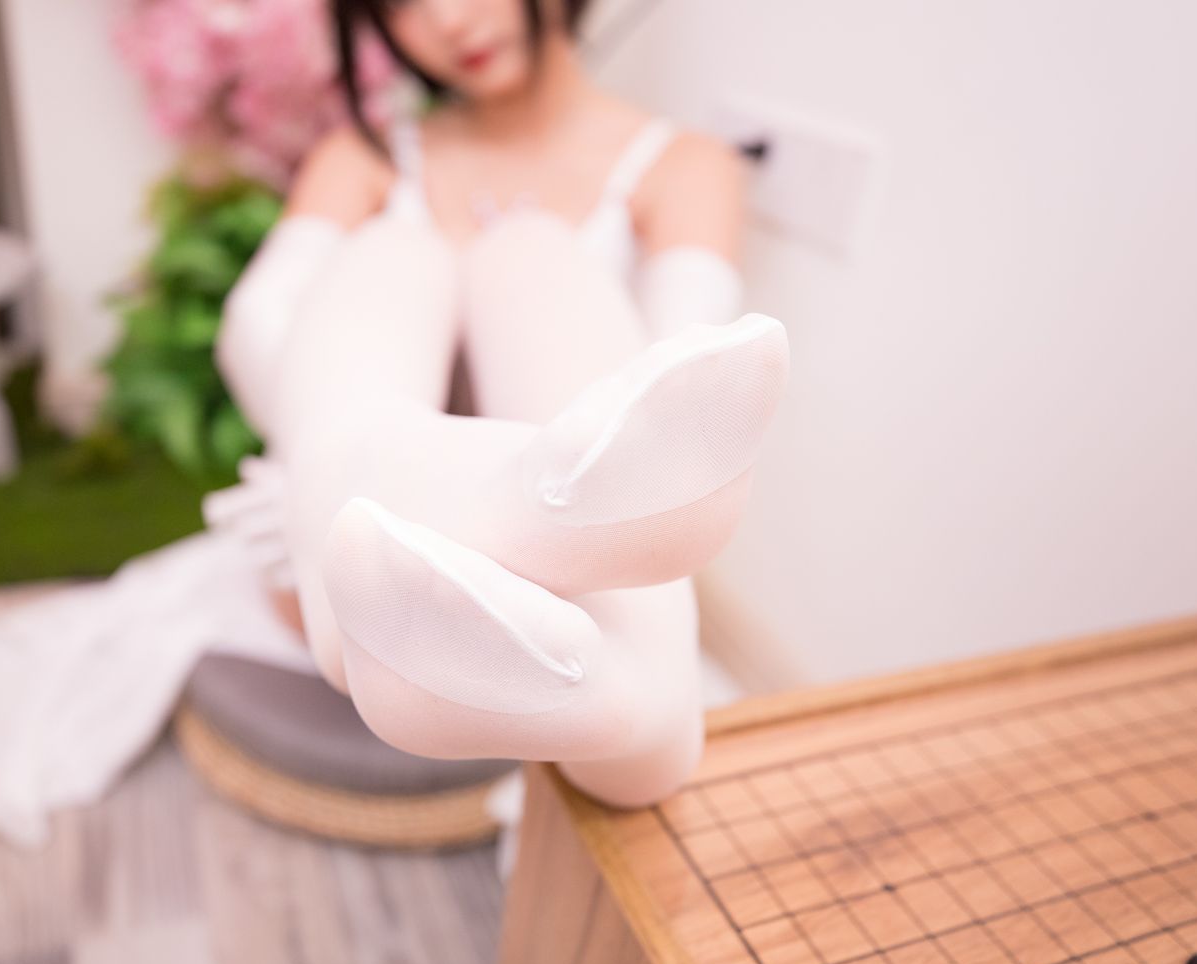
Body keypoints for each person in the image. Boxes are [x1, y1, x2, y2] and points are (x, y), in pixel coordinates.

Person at [210, 0, 790, 808]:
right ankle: (636, 718)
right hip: (373, 536)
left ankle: (477, 535)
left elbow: (677, 386)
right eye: (402, 3)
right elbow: (255, 326)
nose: (448, 20)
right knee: (393, 254)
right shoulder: (365, 157)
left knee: (532, 255)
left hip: (546, 566)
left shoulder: (685, 165)